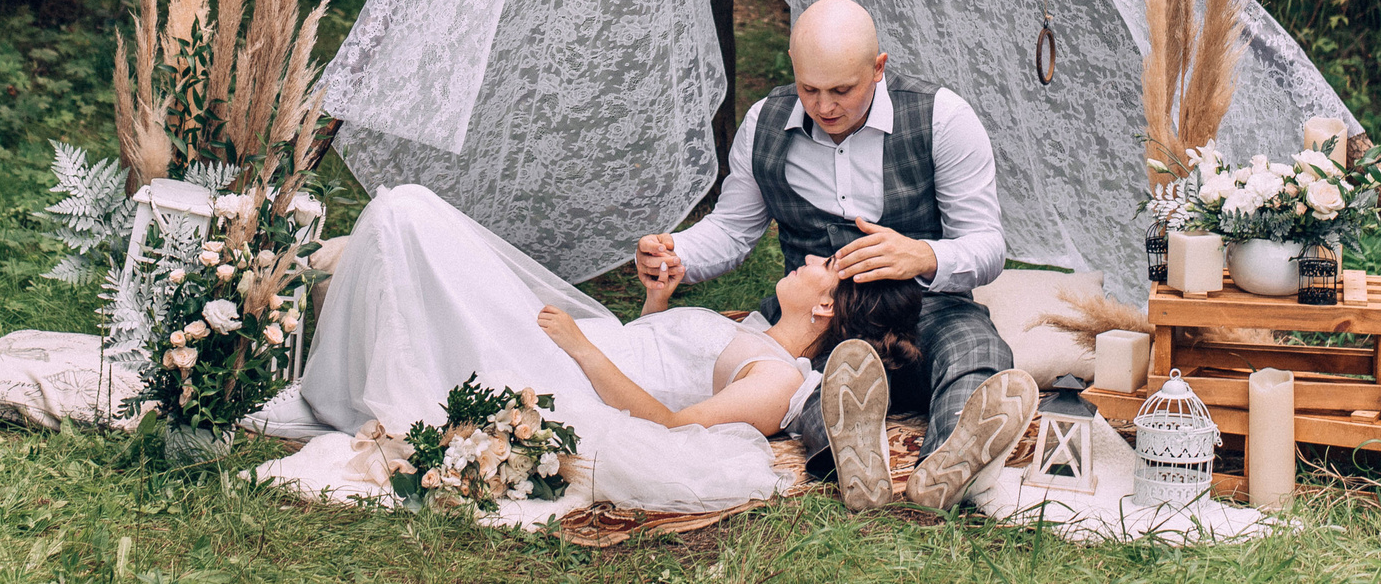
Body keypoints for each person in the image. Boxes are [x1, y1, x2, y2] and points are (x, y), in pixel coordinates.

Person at [295, 181, 927, 512]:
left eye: (826, 264)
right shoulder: (757, 336)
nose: (812, 257)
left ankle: (330, 365)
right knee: (409, 225)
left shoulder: (777, 380)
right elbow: (667, 362)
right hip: (573, 345)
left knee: (408, 216)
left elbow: (672, 422)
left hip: (561, 366)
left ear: (824, 306)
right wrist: (657, 301)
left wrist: (581, 350)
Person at [637, 0, 1037, 510]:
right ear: (793, 67)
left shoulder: (942, 118)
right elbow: (733, 231)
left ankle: (945, 469)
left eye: (842, 90)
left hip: (922, 305)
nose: (824, 107)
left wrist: (922, 256)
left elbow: (987, 245)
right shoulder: (765, 122)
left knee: (977, 354)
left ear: (879, 68)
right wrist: (677, 253)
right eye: (809, 89)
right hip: (816, 317)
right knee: (797, 386)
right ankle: (852, 456)